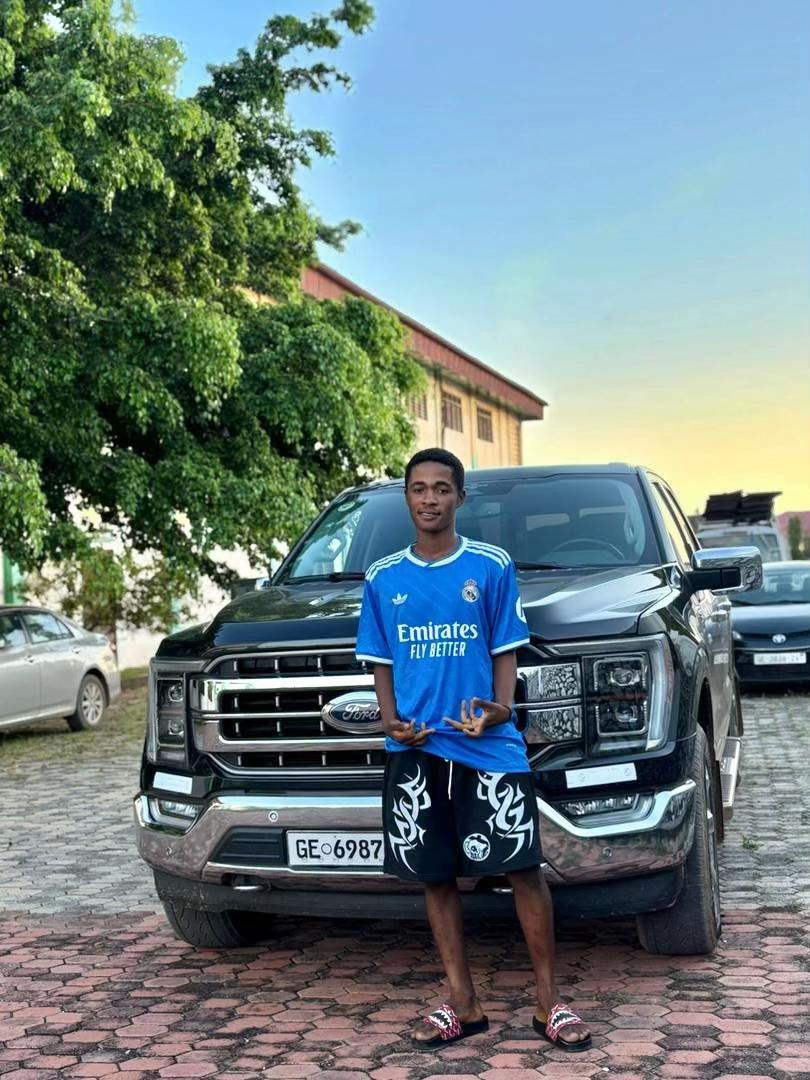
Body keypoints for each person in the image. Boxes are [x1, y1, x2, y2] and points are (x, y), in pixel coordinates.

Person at [355, 447, 591, 1053]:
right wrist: (390, 720)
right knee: (435, 876)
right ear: (406, 497)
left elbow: (505, 647)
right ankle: (463, 1003)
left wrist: (502, 709)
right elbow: (381, 661)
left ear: (460, 497)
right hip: (417, 750)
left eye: (441, 488)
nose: (429, 499)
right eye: (418, 488)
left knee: (523, 870)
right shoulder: (383, 578)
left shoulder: (490, 566)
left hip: (488, 747)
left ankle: (548, 1003)